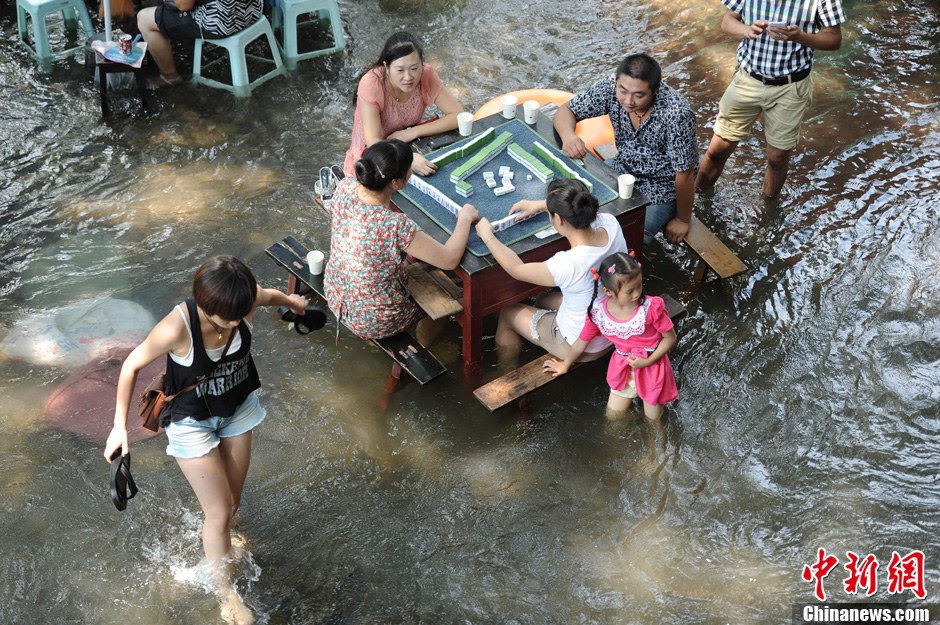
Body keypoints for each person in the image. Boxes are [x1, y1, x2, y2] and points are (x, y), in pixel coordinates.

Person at [103, 256, 308, 625]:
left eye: (242, 313)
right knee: (217, 512)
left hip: (238, 407)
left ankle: (222, 537)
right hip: (191, 422)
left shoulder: (243, 298)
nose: (237, 322)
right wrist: (119, 426)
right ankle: (226, 597)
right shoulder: (176, 327)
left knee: (232, 502)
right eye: (228, 318)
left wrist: (294, 304)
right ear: (207, 305)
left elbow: (270, 296)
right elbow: (131, 365)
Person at [325, 139, 478, 344]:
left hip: (336, 294)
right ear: (396, 183)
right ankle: (425, 347)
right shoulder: (395, 224)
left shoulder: (345, 186)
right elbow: (449, 259)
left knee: (411, 261)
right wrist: (465, 219)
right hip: (373, 319)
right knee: (445, 308)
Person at [695, 1, 846, 198]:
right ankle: (695, 200)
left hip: (791, 86)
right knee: (718, 149)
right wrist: (746, 30)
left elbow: (834, 39)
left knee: (778, 157)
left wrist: (800, 36)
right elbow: (727, 21)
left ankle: (766, 214)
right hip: (747, 80)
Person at [475, 179, 628, 364]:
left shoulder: (567, 263)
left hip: (582, 345)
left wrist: (487, 236)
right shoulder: (611, 223)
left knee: (508, 312)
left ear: (559, 219)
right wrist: (543, 205)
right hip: (614, 323)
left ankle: (505, 371)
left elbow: (516, 269)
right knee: (542, 299)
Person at [553, 53, 698, 244]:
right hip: (623, 166)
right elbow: (566, 110)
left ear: (655, 90)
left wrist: (682, 219)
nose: (628, 100)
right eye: (622, 90)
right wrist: (569, 136)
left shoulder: (676, 115)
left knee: (628, 236)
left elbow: (685, 174)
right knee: (573, 205)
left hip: (661, 186)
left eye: (639, 95)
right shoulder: (609, 87)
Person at [543, 251, 678, 421]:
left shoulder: (651, 308)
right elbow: (581, 341)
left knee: (654, 422)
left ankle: (655, 448)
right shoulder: (598, 313)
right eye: (630, 291)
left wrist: (648, 361)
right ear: (608, 292)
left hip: (652, 367)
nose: (637, 294)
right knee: (613, 418)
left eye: (639, 286)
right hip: (623, 369)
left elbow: (670, 338)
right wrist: (565, 364)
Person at [343, 31, 464, 177]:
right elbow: (373, 142)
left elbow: (458, 115)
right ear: (386, 67)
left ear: (421, 63)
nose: (408, 77)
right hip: (373, 157)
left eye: (414, 68)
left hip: (409, 145)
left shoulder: (426, 74)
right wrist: (409, 160)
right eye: (400, 70)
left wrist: (412, 132)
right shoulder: (372, 83)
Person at [137, 0, 264, 87]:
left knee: (143, 18)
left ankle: (169, 76)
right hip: (253, 10)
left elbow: (183, 6)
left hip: (222, 22)